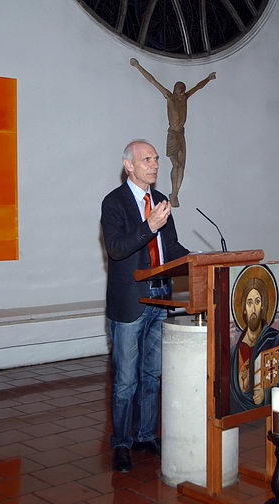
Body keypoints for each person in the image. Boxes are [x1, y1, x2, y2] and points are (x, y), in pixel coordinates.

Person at [100, 139, 189, 472]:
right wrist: (148, 226)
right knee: (126, 380)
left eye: (155, 159)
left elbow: (171, 248)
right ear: (129, 166)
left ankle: (145, 435)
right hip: (130, 301)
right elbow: (116, 248)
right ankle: (121, 443)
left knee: (153, 374)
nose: (154, 164)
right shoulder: (114, 202)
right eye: (147, 159)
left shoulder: (161, 200)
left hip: (160, 297)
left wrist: (200, 260)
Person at [130, 58, 216, 208]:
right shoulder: (170, 97)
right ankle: (174, 193)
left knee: (181, 166)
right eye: (179, 90)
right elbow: (153, 81)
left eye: (183, 90)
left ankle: (175, 194)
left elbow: (198, 87)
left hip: (181, 134)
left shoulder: (185, 98)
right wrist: (138, 66)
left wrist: (208, 78)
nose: (181, 92)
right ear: (175, 90)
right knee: (176, 164)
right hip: (173, 135)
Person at [230, 270, 279, 414]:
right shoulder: (234, 351)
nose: (253, 309)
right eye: (249, 302)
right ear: (244, 309)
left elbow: (278, 376)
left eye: (257, 302)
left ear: (263, 306)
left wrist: (265, 392)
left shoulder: (273, 339)